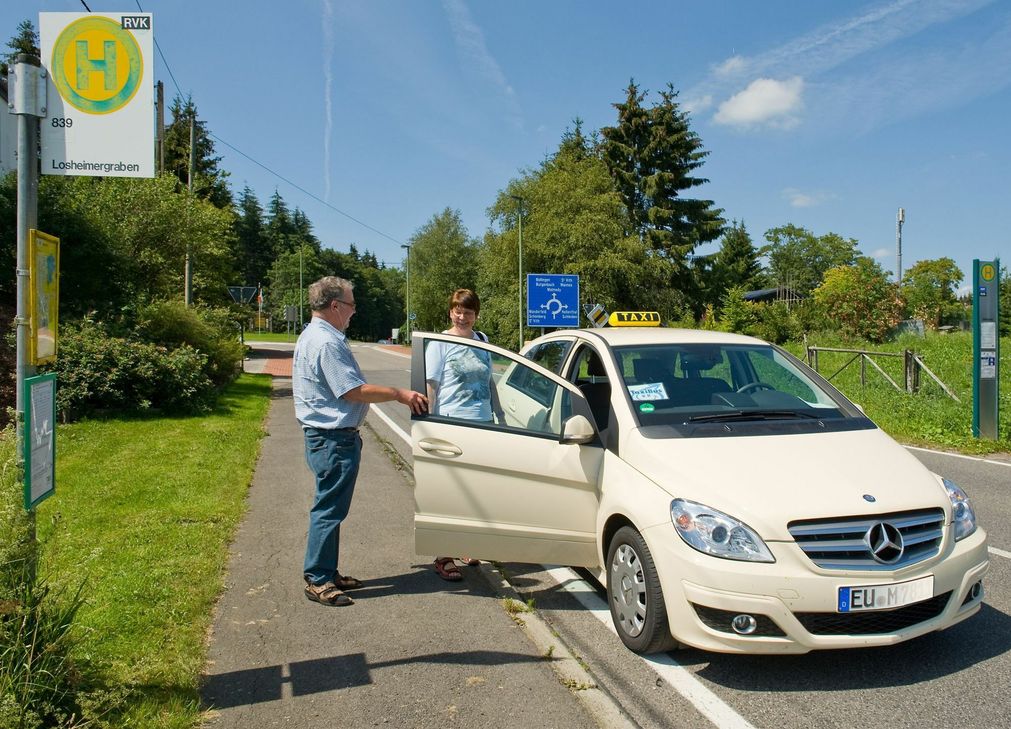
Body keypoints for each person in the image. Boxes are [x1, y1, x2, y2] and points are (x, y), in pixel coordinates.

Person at [293, 276, 428, 606]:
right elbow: (350, 391)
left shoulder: (315, 336)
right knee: (328, 509)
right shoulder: (326, 342)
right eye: (352, 304)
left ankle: (326, 569)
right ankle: (318, 579)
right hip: (333, 440)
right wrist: (399, 393)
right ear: (336, 306)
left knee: (333, 508)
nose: (355, 311)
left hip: (327, 438)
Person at [424, 288, 504, 581]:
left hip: (482, 422)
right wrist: (428, 422)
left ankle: (466, 545)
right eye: (458, 311)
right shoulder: (440, 343)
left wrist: (500, 414)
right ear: (450, 312)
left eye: (468, 312)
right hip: (452, 424)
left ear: (476, 315)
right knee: (452, 492)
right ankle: (443, 555)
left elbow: (489, 380)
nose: (462, 317)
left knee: (474, 491)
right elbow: (431, 385)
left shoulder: (482, 340)